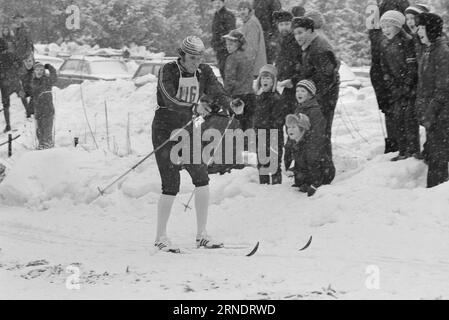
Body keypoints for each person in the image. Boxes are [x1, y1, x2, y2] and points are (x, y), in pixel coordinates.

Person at [153, 36, 244, 252]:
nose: (195, 62)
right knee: (171, 182)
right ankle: (160, 237)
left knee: (201, 177)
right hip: (165, 128)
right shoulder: (168, 71)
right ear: (181, 55)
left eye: (198, 58)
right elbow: (169, 99)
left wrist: (231, 103)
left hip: (187, 128)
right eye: (191, 58)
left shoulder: (204, 71)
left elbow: (217, 91)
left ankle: (202, 235)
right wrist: (194, 108)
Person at [287, 17, 340, 158]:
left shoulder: (319, 48)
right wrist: (294, 81)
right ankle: (312, 163)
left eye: (300, 32)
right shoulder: (309, 46)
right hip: (315, 96)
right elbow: (309, 73)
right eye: (295, 33)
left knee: (320, 131)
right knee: (310, 130)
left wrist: (312, 97)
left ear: (310, 31)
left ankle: (323, 166)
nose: (297, 37)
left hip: (324, 97)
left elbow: (327, 78)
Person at [367, 0, 410, 153]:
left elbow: (398, 30)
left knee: (395, 107)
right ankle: (395, 143)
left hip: (388, 64)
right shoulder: (376, 7)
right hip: (380, 64)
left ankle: (398, 144)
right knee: (389, 107)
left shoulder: (393, 4)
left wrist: (376, 35)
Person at [379, 10, 420, 161]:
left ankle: (413, 151)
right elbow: (384, 68)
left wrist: (406, 86)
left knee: (409, 119)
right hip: (395, 89)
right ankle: (403, 151)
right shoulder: (384, 43)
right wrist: (391, 84)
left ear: (397, 26)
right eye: (383, 27)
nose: (386, 30)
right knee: (398, 120)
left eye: (389, 26)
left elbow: (412, 67)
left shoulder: (407, 42)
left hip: (409, 89)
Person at [415, 13, 449, 188]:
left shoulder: (442, 52)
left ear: (432, 29)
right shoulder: (428, 49)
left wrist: (430, 112)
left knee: (439, 155)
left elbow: (443, 89)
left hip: (442, 113)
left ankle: (436, 191)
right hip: (433, 112)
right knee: (435, 152)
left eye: (422, 27)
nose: (418, 31)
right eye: (418, 27)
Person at [284, 82, 335, 197]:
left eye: (303, 91)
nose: (299, 93)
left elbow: (317, 134)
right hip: (304, 145)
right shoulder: (299, 108)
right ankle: (302, 180)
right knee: (299, 153)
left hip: (319, 157)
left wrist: (306, 143)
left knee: (311, 155)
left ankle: (316, 182)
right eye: (297, 91)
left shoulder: (315, 111)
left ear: (310, 94)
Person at [253, 64, 288, 185]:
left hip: (274, 136)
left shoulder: (276, 98)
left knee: (274, 164)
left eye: (268, 78)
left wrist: (267, 129)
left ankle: (276, 187)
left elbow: (278, 120)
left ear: (273, 81)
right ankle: (263, 186)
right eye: (263, 78)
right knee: (262, 163)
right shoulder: (258, 97)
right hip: (260, 135)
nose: (265, 80)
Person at [222, 29, 255, 131]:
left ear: (238, 44)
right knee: (248, 127)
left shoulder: (231, 59)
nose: (228, 46)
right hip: (250, 96)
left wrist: (225, 97)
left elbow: (229, 80)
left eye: (231, 44)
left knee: (236, 127)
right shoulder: (248, 57)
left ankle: (239, 146)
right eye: (227, 44)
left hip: (237, 98)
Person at [273, 10, 302, 114]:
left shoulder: (297, 41)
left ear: (292, 25)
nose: (284, 27)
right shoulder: (280, 40)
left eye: (287, 24)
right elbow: (279, 63)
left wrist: (293, 81)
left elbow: (303, 65)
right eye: (281, 24)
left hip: (296, 89)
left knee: (294, 122)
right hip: (282, 87)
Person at [0, 38, 25, 133]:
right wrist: (16, 71)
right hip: (13, 79)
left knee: (6, 104)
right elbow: (20, 63)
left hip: (4, 82)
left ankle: (8, 125)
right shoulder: (11, 54)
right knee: (21, 94)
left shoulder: (8, 55)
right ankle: (29, 113)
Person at [31, 62, 57, 150]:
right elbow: (33, 97)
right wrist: (30, 109)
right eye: (37, 70)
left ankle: (48, 146)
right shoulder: (33, 82)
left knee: (47, 131)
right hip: (38, 111)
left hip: (48, 110)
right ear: (34, 71)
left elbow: (54, 77)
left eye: (41, 70)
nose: (39, 72)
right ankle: (41, 146)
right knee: (39, 131)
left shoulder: (47, 80)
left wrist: (50, 67)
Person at [238, 1, 267, 78]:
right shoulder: (247, 22)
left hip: (254, 67)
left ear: (249, 10)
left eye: (244, 9)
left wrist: (246, 66)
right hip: (254, 67)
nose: (242, 12)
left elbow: (251, 47)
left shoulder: (251, 23)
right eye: (240, 9)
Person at [211, 0, 236, 79]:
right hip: (219, 49)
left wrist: (225, 44)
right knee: (222, 72)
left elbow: (231, 33)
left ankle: (230, 90)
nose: (217, 4)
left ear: (223, 3)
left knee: (228, 73)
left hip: (227, 50)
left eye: (219, 2)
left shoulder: (228, 15)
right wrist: (213, 43)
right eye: (215, 2)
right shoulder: (216, 15)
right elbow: (215, 32)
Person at [253, 0, 281, 64]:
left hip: (269, 35)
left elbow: (277, 19)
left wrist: (274, 37)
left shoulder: (273, 2)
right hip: (259, 34)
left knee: (268, 60)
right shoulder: (255, 2)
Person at [19, 54, 35, 118]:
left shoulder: (36, 70)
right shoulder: (21, 72)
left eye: (30, 61)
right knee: (21, 94)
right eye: (26, 61)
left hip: (34, 91)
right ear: (23, 62)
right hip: (25, 90)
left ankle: (31, 111)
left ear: (33, 61)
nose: (28, 63)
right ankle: (28, 110)